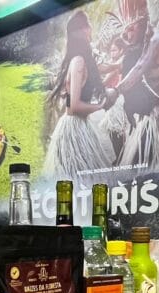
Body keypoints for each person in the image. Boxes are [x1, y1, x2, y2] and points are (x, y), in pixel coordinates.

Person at [43, 10, 117, 182]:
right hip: (74, 129)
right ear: (83, 30)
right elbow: (73, 107)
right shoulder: (78, 62)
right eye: (88, 25)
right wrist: (100, 106)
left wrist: (117, 66)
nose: (91, 29)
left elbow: (71, 100)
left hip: (79, 126)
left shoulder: (79, 60)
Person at [113, 0, 159, 167]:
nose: (128, 35)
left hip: (157, 116)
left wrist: (115, 91)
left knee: (145, 171)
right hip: (148, 116)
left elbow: (139, 68)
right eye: (126, 30)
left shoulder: (157, 40)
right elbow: (134, 64)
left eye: (132, 29)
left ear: (144, 23)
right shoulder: (146, 40)